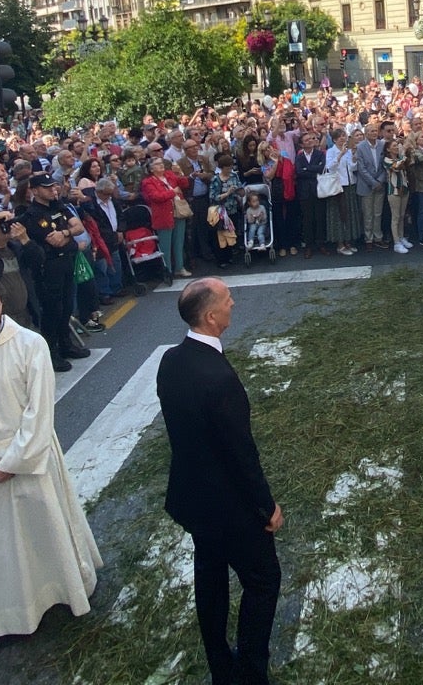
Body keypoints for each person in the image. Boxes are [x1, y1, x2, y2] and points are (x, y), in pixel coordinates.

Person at [0, 277, 99, 646]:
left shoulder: (30, 345)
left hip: (29, 456)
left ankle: (62, 591)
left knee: (46, 530)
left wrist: (14, 460)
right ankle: (7, 615)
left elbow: (39, 409)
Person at [157, 278, 282, 685]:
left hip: (193, 499)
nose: (234, 302)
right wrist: (266, 507)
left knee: (210, 577)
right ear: (212, 316)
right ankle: (250, 672)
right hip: (228, 506)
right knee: (263, 580)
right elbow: (241, 455)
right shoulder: (219, 378)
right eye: (228, 300)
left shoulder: (172, 360)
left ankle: (219, 664)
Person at [17, 171, 91, 370]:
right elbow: (53, 240)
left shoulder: (58, 206)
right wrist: (67, 237)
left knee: (66, 306)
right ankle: (52, 351)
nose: (54, 190)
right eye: (47, 188)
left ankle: (66, 344)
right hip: (48, 267)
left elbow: (78, 227)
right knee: (52, 311)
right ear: (34, 190)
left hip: (65, 262)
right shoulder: (32, 215)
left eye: (54, 186)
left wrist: (65, 232)